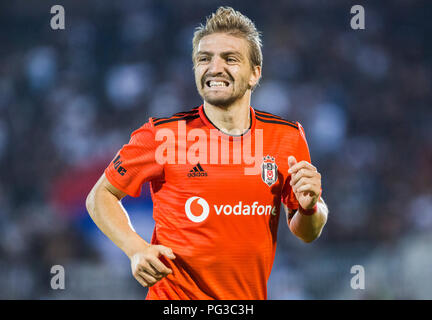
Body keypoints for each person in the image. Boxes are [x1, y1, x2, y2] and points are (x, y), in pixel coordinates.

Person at [86, 6, 328, 300]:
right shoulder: (163, 134)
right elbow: (100, 196)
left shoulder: (286, 137)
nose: (214, 67)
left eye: (230, 58)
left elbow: (307, 231)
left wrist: (310, 206)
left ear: (255, 73)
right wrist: (136, 248)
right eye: (204, 59)